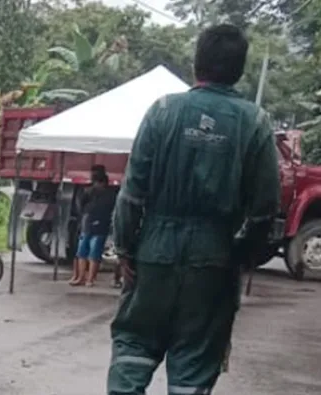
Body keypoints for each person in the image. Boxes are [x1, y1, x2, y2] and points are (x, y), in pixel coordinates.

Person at [107, 24, 280, 395]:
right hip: (213, 261)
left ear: (196, 63)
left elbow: (131, 194)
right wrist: (239, 257)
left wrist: (124, 248)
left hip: (153, 253)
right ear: (240, 68)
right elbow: (265, 210)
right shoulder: (255, 123)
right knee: (195, 364)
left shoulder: (163, 111)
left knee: (134, 345)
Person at [69, 168, 115, 287]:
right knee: (91, 253)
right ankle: (88, 279)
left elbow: (80, 206)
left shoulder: (89, 192)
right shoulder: (110, 194)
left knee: (85, 252)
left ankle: (83, 278)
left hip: (90, 223)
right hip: (97, 224)